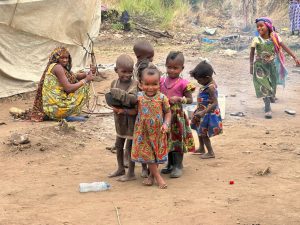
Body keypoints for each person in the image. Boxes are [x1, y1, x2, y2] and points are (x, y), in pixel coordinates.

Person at [250, 17, 300, 119]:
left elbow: (285, 47)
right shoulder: (256, 39)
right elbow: (251, 54)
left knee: (272, 85)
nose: (259, 28)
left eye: (261, 26)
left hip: (271, 65)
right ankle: (267, 108)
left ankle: (271, 96)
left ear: (268, 26)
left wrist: (295, 57)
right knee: (264, 86)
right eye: (257, 27)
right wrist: (251, 66)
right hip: (260, 66)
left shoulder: (275, 37)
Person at [131, 64, 171, 189]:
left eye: (154, 84)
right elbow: (134, 111)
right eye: (147, 84)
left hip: (158, 131)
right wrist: (121, 110)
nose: (150, 88)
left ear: (159, 83)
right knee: (148, 154)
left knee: (155, 154)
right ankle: (158, 177)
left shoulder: (162, 98)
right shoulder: (138, 98)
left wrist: (166, 124)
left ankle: (151, 176)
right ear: (140, 84)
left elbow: (168, 112)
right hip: (143, 132)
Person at [31, 47, 94, 122]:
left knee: (79, 84)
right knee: (83, 86)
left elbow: (74, 76)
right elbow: (68, 88)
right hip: (56, 108)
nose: (65, 60)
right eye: (62, 58)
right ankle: (64, 116)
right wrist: (86, 80)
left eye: (67, 58)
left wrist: (87, 73)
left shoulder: (57, 67)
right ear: (56, 58)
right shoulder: (57, 67)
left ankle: (65, 114)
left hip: (51, 108)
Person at [160, 51, 195, 178]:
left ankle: (178, 166)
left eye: (176, 68)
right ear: (165, 65)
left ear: (182, 68)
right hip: (164, 115)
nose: (172, 70)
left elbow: (190, 100)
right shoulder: (161, 80)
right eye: (169, 67)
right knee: (167, 140)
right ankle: (170, 164)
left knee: (177, 141)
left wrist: (180, 99)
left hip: (177, 117)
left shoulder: (184, 83)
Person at [106, 54, 138, 182]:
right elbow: (111, 100)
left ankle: (131, 172)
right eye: (123, 71)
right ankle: (120, 168)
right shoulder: (114, 83)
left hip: (131, 122)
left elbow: (133, 100)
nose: (127, 75)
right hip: (119, 121)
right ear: (116, 70)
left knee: (130, 148)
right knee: (119, 145)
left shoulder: (135, 84)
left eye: (130, 72)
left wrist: (118, 94)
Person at [190, 61, 223, 159]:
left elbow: (215, 103)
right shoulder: (207, 83)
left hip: (207, 113)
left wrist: (203, 112)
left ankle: (210, 152)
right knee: (198, 129)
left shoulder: (211, 88)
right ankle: (201, 148)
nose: (198, 82)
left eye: (199, 80)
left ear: (207, 78)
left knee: (204, 133)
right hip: (202, 111)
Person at [132, 40, 155, 177]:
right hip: (146, 103)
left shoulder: (138, 65)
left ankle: (145, 167)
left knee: (143, 138)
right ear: (140, 56)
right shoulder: (145, 66)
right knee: (147, 138)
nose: (152, 58)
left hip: (141, 103)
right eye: (150, 56)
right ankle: (146, 168)